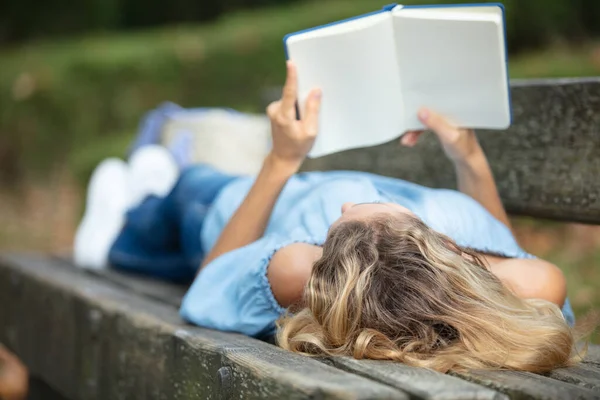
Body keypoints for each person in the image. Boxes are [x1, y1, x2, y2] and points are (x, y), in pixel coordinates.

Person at [75, 61, 580, 373]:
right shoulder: (527, 284)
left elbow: (210, 284)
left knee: (184, 182)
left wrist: (281, 161)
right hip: (292, 198)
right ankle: (155, 167)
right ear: (441, 247)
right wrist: (467, 156)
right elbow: (494, 237)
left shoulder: (301, 268)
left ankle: (125, 221)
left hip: (222, 213)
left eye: (338, 225)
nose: (345, 207)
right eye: (358, 213)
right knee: (179, 156)